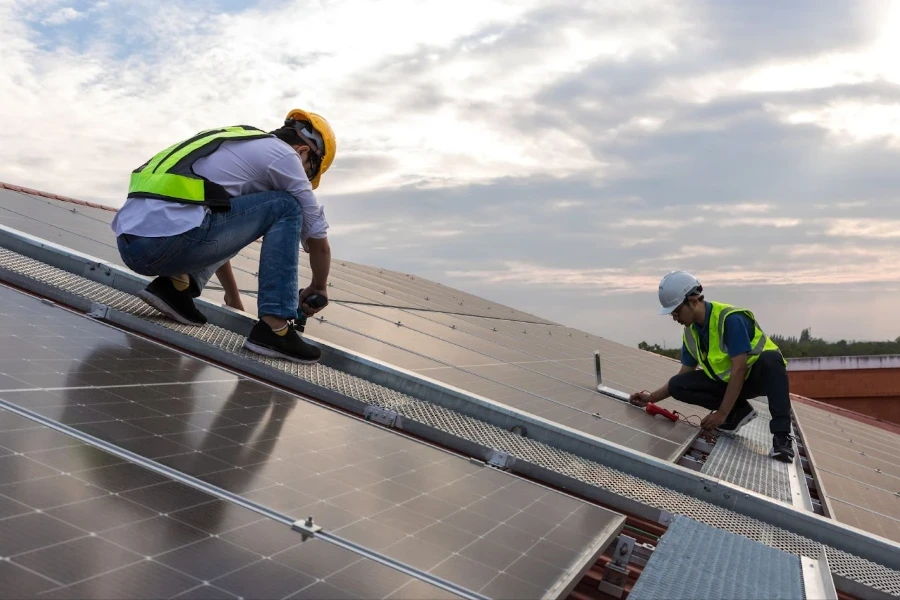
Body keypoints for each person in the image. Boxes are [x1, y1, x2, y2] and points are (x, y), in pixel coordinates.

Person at [110, 109, 335, 364]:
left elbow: (221, 230)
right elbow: (317, 237)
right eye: (307, 174)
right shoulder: (284, 155)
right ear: (304, 152)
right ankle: (275, 327)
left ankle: (176, 288)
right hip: (169, 242)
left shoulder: (236, 143)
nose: (301, 179)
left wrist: (233, 297)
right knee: (287, 205)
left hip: (133, 244)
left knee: (233, 211)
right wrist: (319, 287)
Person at [629, 271, 795, 462]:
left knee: (772, 359)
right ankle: (738, 412)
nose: (674, 317)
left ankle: (782, 438)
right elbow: (685, 373)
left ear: (693, 301)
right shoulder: (691, 332)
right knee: (678, 384)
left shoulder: (730, 319)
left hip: (755, 377)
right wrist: (652, 398)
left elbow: (739, 368)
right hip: (728, 384)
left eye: (676, 311)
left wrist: (721, 413)